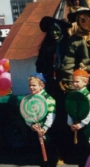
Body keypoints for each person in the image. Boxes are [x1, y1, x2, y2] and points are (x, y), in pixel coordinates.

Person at [36, 16, 72, 164]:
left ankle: (68, 151)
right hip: (51, 87)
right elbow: (40, 67)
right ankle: (55, 152)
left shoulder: (67, 44)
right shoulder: (46, 46)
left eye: (57, 30)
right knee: (53, 120)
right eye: (52, 31)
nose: (54, 33)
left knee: (66, 119)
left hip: (65, 87)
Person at [60, 7, 90, 92]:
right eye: (80, 20)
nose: (82, 22)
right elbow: (68, 62)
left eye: (85, 19)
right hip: (81, 82)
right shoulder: (74, 40)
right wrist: (71, 82)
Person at [25, 73, 57, 167]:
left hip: (47, 131)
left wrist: (45, 128)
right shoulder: (29, 99)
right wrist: (31, 124)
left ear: (42, 86)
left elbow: (51, 115)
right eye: (30, 85)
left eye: (34, 85)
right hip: (35, 130)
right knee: (39, 155)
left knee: (49, 153)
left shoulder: (48, 99)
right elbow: (26, 114)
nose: (31, 87)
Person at [67, 69, 90, 167]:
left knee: (87, 149)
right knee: (79, 150)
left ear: (85, 82)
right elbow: (70, 110)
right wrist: (71, 123)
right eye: (73, 81)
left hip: (86, 127)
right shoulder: (72, 96)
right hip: (76, 126)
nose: (74, 84)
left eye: (77, 81)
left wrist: (81, 124)